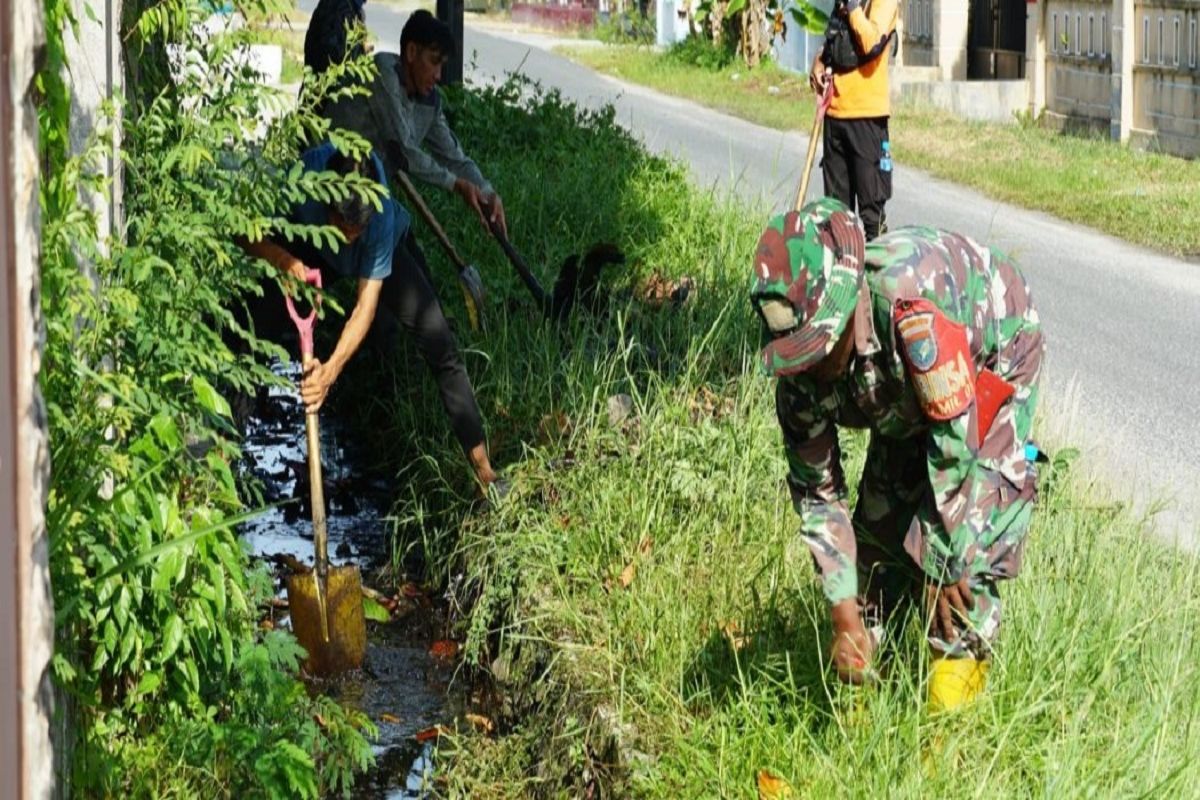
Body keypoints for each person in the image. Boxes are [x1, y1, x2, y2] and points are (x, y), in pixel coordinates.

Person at [749, 198, 1045, 710]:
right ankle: (865, 709)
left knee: (961, 571)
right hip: (902, 395)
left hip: (994, 355)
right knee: (874, 552)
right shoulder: (798, 380)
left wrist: (942, 561)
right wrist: (844, 616)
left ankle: (949, 735)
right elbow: (819, 497)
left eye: (817, 348)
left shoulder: (911, 311)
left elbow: (956, 446)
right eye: (795, 353)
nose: (808, 370)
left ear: (847, 308)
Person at [241, 142, 503, 494]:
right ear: (325, 205)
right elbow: (242, 228)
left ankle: (485, 472)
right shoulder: (299, 183)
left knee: (440, 343)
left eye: (356, 234)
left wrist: (330, 372)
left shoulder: (377, 219)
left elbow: (365, 307)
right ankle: (221, 450)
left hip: (383, 255)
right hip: (308, 250)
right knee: (247, 327)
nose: (350, 240)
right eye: (343, 230)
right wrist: (283, 260)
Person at [326, 9, 507, 236]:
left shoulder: (430, 101)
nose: (438, 75)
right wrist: (456, 184)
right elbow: (403, 148)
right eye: (434, 62)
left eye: (442, 65)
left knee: (412, 262)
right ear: (411, 52)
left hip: (369, 196)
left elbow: (453, 157)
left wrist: (486, 192)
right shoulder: (382, 71)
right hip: (328, 183)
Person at [808, 0, 898, 240]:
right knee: (836, 219)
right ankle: (842, 275)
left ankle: (875, 275)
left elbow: (870, 42)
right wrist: (819, 60)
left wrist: (853, 6)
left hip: (867, 119)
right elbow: (835, 41)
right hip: (835, 116)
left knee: (872, 217)